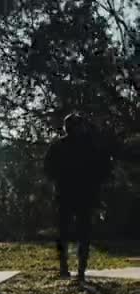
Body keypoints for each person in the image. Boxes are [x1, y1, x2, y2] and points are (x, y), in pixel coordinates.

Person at [44, 114, 113, 282]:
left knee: (64, 232)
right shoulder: (91, 146)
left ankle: (64, 268)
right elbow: (105, 168)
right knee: (83, 233)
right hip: (85, 194)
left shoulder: (58, 146)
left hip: (65, 193)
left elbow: (48, 169)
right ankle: (80, 270)